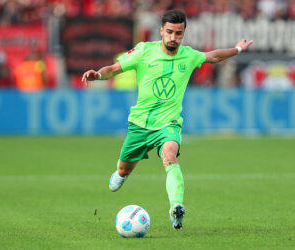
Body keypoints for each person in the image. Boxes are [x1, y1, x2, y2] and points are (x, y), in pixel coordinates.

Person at [82, 9, 253, 230]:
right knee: (124, 170)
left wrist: (237, 49)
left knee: (170, 156)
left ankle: (176, 208)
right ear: (161, 30)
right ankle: (122, 172)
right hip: (139, 124)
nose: (174, 38)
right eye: (170, 32)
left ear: (184, 34)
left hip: (168, 124)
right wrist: (97, 74)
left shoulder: (188, 55)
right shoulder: (144, 51)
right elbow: (114, 69)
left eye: (179, 34)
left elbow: (213, 56)